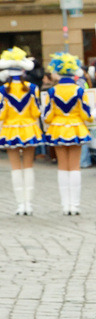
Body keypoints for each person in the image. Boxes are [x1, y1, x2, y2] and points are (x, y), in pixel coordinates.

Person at [42, 53, 92, 215]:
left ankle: (65, 206)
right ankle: (75, 205)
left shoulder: (51, 91)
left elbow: (47, 116)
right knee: (75, 166)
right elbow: (87, 115)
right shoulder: (79, 90)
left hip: (58, 129)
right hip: (76, 128)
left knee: (62, 166)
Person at [0, 47, 42, 215]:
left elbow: (1, 114)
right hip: (29, 129)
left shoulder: (2, 90)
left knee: (16, 167)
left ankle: (20, 205)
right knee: (28, 166)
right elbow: (36, 112)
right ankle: (28, 204)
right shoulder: (32, 88)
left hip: (10, 130)